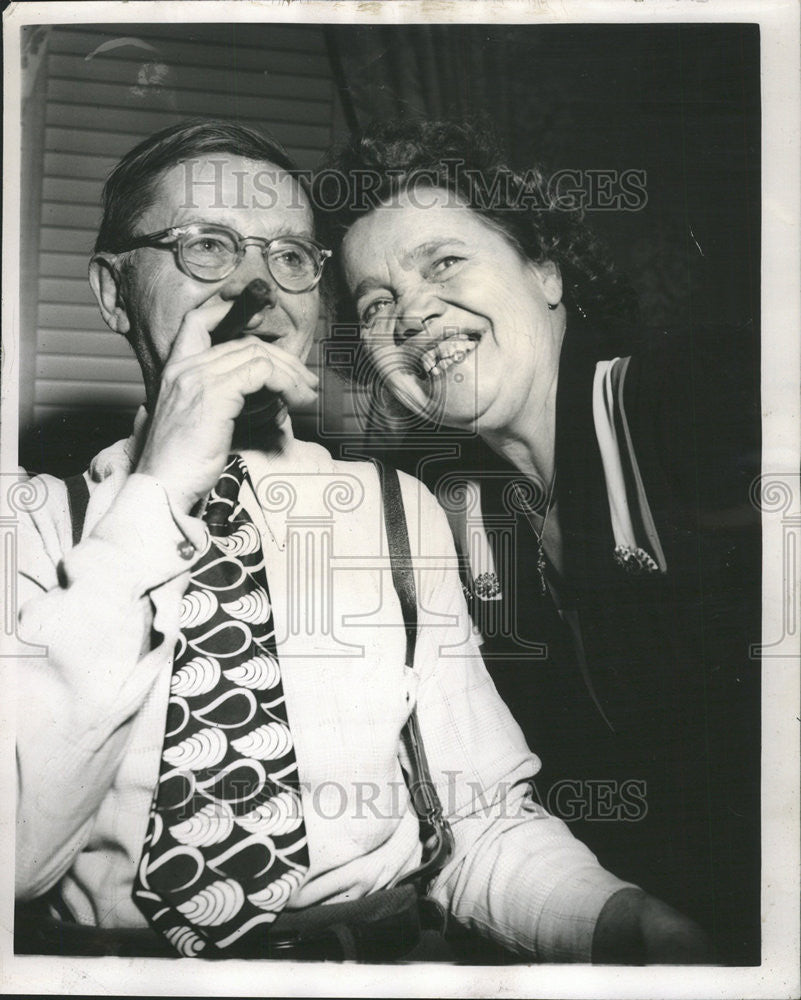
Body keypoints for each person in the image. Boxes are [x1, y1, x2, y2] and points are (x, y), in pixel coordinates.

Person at [14, 118, 706, 965]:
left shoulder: (398, 514)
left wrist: (623, 923)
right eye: (206, 246)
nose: (256, 286)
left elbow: (477, 828)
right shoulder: (30, 529)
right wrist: (156, 496)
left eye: (292, 257)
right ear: (113, 292)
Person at [319, 118, 761, 964]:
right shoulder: (464, 520)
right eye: (376, 303)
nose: (410, 311)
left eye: (442, 262)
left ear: (546, 271)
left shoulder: (699, 399)